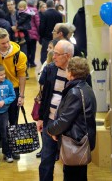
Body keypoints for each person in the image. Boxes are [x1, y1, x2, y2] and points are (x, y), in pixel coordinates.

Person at [47, 56, 97, 181]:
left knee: (72, 175)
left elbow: (65, 119)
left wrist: (51, 130)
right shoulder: (86, 88)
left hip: (75, 141)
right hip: (83, 138)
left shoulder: (75, 92)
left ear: (71, 72)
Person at [0, 28, 27, 160]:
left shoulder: (19, 55)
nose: (7, 45)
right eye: (3, 43)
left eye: (8, 41)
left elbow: (22, 76)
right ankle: (0, 145)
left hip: (12, 89)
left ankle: (13, 148)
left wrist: (21, 95)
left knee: (12, 121)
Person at [37, 40, 74, 181]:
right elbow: (45, 96)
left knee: (69, 161)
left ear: (68, 56)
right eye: (54, 53)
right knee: (46, 160)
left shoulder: (77, 73)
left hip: (68, 125)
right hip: (50, 122)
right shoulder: (50, 69)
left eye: (57, 54)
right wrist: (41, 118)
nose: (53, 57)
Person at [39, 0, 63, 64]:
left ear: (46, 5)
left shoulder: (44, 14)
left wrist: (41, 37)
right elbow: (61, 26)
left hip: (46, 38)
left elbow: (41, 27)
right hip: (57, 38)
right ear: (53, 5)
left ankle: (45, 66)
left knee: (45, 53)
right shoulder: (59, 14)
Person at [27, 0, 40, 68]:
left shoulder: (25, 9)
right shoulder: (35, 10)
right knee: (33, 48)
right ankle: (32, 62)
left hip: (26, 32)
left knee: (27, 48)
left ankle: (28, 61)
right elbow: (37, 22)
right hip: (33, 32)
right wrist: (39, 31)